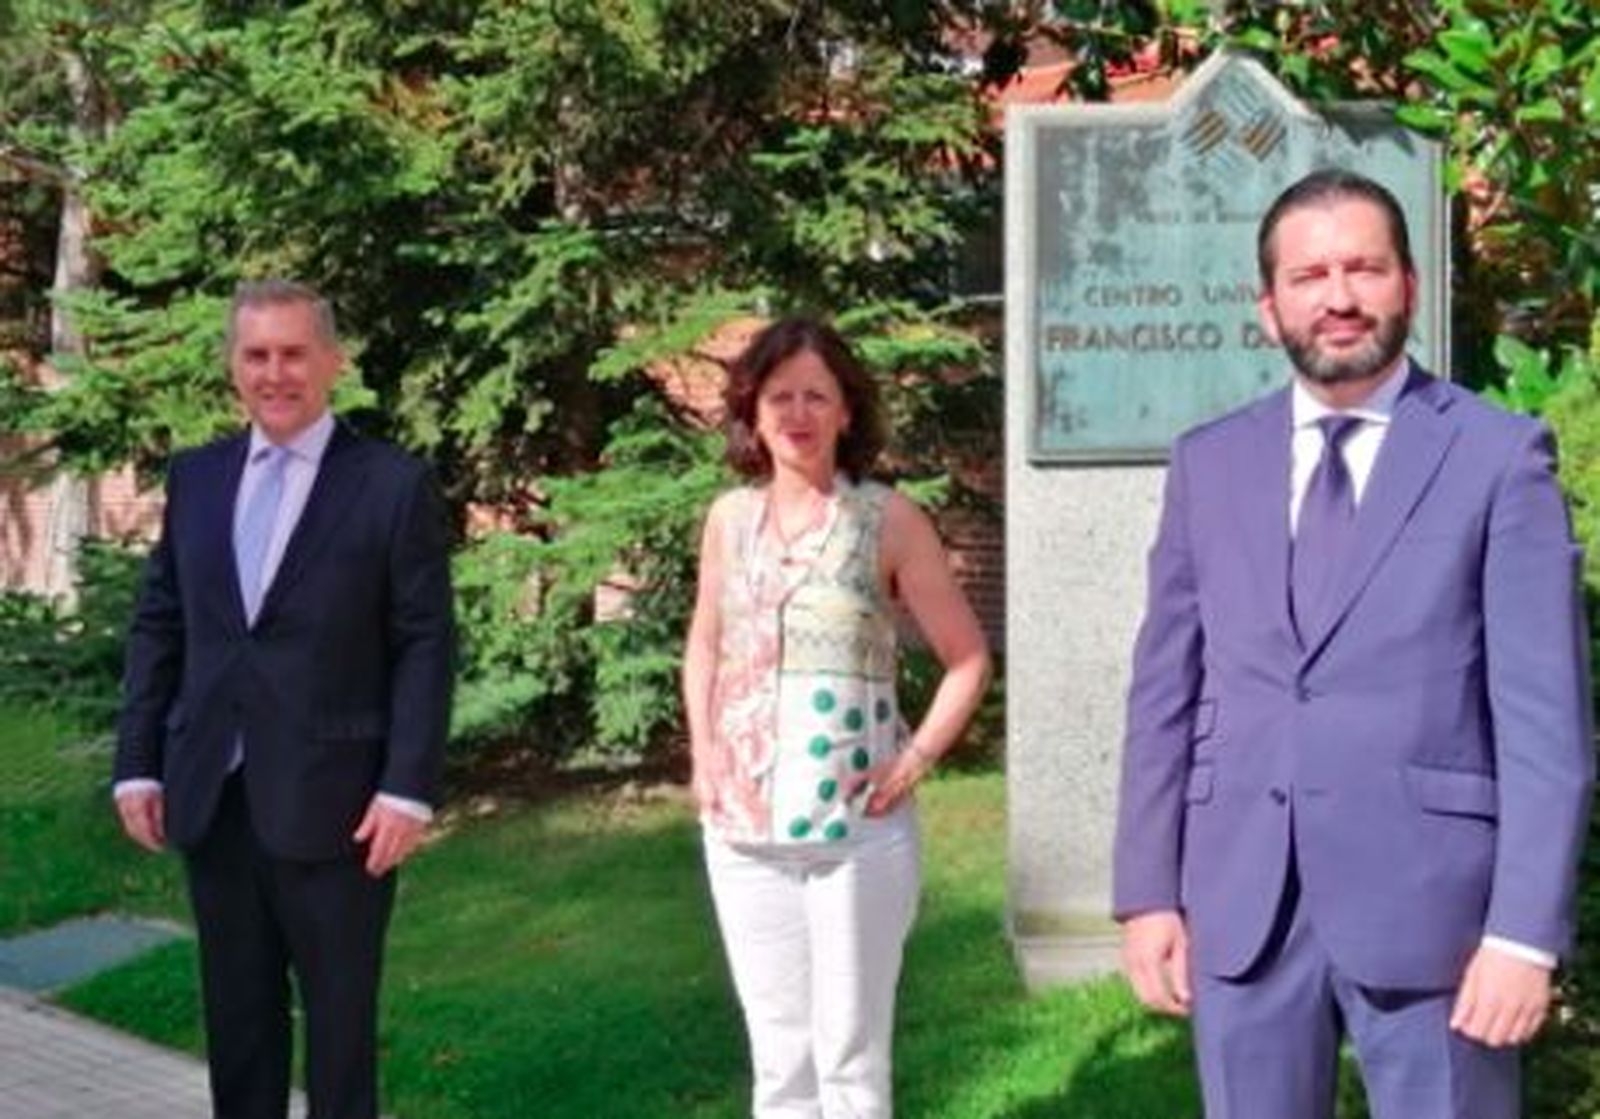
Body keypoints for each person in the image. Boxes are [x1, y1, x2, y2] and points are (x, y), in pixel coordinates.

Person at [1113, 167, 1594, 1118]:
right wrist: (1148, 894)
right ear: (1268, 305)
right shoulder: (1208, 463)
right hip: (1244, 906)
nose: (1339, 297)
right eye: (1310, 275)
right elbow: (1164, 692)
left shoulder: (1498, 457)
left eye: (1365, 269)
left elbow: (1546, 721)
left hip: (1437, 919)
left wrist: (1524, 933)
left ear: (1408, 285)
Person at [113, 279, 455, 1119]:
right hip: (215, 794)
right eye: (257, 354)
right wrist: (137, 765)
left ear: (332, 362)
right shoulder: (197, 478)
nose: (276, 372)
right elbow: (163, 625)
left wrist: (407, 783)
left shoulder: (389, 484)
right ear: (233, 365)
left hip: (341, 809)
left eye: (294, 352)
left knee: (339, 1042)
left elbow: (425, 641)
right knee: (239, 1033)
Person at [682, 316, 991, 1118]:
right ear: (753, 412)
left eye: (817, 395)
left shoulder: (886, 520)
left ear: (847, 411)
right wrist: (705, 758)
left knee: (851, 1058)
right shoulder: (728, 521)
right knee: (780, 1058)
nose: (798, 413)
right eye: (779, 396)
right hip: (743, 832)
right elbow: (704, 646)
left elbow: (967, 657)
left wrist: (915, 757)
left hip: (855, 830)